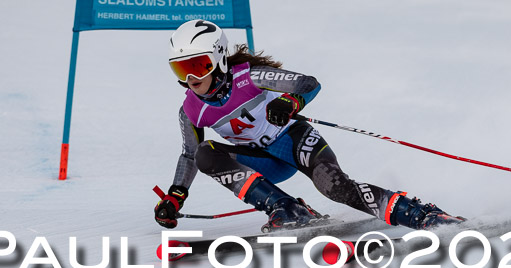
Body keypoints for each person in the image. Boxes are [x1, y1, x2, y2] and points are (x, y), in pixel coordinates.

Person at [155, 19, 464, 232]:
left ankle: (420, 214)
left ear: (220, 58)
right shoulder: (191, 110)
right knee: (206, 153)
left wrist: (290, 103)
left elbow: (309, 84)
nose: (192, 79)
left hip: (295, 142)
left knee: (335, 188)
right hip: (262, 161)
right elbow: (189, 155)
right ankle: (287, 209)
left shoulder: (250, 76)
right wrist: (175, 196)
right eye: (181, 69)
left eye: (199, 65)